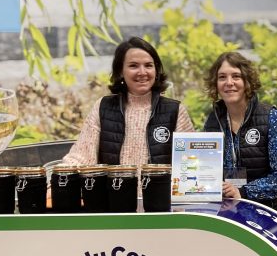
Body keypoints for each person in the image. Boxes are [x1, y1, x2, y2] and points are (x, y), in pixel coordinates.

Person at [62, 37, 193, 166]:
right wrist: (55, 181)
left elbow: (190, 159)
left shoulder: (175, 111)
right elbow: (81, 157)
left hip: (161, 187)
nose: (142, 72)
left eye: (148, 65)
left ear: (156, 70)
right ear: (120, 71)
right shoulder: (103, 107)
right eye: (133, 66)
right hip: (113, 187)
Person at [202, 51, 277, 217]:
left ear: (247, 81)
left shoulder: (270, 117)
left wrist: (243, 192)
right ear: (215, 83)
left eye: (236, 76)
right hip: (230, 214)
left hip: (271, 215)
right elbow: (206, 170)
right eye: (222, 77)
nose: (229, 83)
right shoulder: (213, 121)